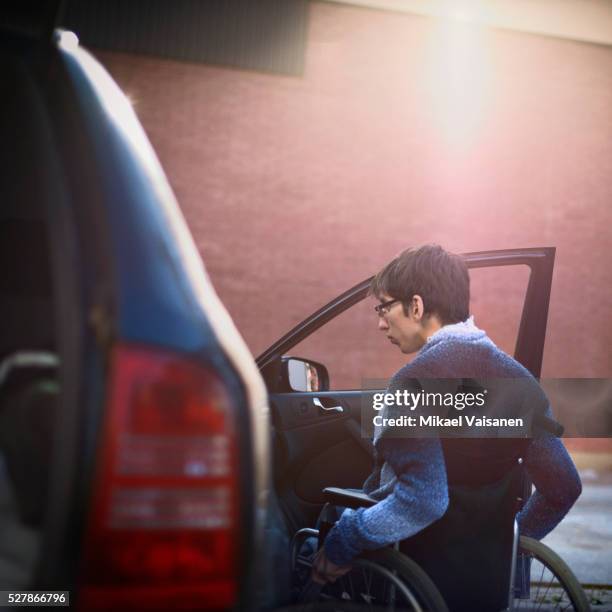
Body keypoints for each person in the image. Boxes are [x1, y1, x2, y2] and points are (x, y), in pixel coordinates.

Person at [311, 245, 582, 604]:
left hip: (409, 575)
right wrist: (511, 543)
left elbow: (425, 500)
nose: (380, 322)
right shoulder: (520, 384)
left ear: (417, 306)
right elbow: (563, 487)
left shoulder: (411, 385)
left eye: (384, 306)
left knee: (313, 545)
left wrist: (344, 540)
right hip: (486, 583)